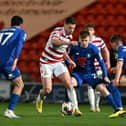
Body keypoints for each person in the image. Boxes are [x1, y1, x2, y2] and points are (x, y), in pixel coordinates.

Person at [68, 30, 126, 118]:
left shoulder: (93, 49)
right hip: (78, 73)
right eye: (82, 40)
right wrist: (69, 63)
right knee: (70, 84)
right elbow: (67, 58)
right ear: (79, 39)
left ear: (89, 40)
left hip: (90, 74)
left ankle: (117, 109)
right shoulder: (74, 47)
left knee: (102, 88)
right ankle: (76, 108)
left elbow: (102, 62)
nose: (84, 43)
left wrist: (105, 76)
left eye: (86, 40)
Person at [36, 17, 82, 116]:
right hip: (46, 62)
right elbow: (54, 41)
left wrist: (70, 61)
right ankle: (40, 98)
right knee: (47, 90)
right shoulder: (57, 32)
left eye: (73, 28)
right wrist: (68, 43)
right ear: (65, 25)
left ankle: (76, 109)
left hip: (58, 62)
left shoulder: (69, 36)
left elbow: (63, 50)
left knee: (69, 84)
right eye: (70, 28)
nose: (71, 30)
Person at [0, 16, 26, 118]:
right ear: (21, 24)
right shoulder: (21, 32)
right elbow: (19, 45)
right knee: (19, 84)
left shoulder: (1, 31)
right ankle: (9, 111)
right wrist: (16, 60)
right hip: (7, 62)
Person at [84, 24, 110, 112]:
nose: (89, 31)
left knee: (99, 87)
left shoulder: (99, 40)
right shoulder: (84, 41)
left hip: (98, 67)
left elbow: (105, 50)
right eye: (87, 30)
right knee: (90, 87)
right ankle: (92, 107)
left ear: (93, 31)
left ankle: (97, 105)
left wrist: (108, 61)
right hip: (89, 68)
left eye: (91, 30)